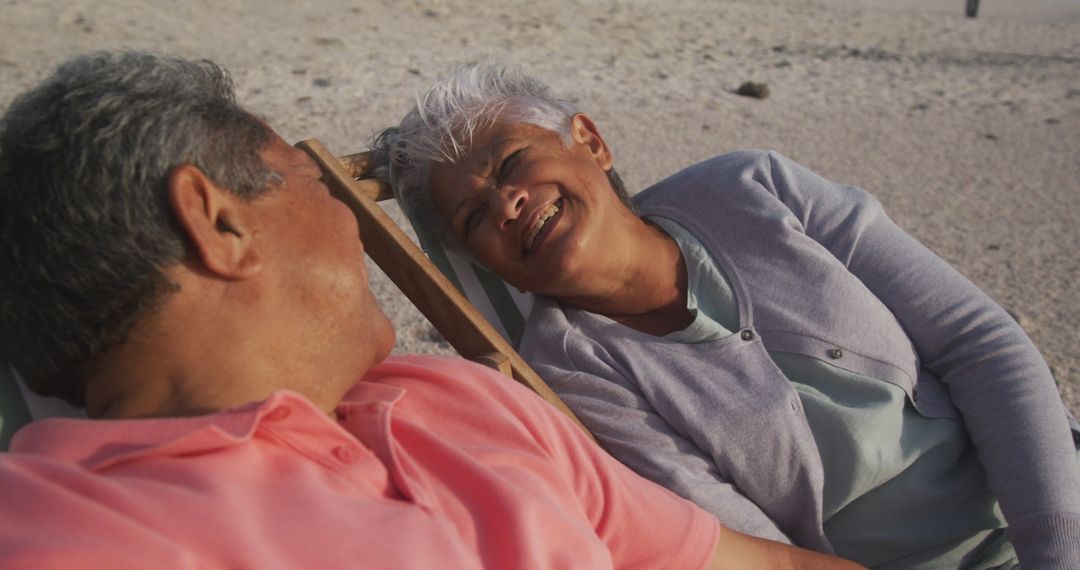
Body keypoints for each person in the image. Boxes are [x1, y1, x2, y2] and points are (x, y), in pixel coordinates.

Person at [0, 52, 863, 569]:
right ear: (218, 223)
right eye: (312, 185)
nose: (353, 222)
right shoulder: (73, 536)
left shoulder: (464, 405)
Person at [376, 61, 1080, 569]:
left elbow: (980, 345)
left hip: (1050, 504)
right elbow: (756, 551)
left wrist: (1055, 547)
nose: (506, 204)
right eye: (474, 217)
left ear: (590, 140)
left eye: (511, 164)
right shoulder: (573, 369)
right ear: (487, 263)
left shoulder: (753, 189)